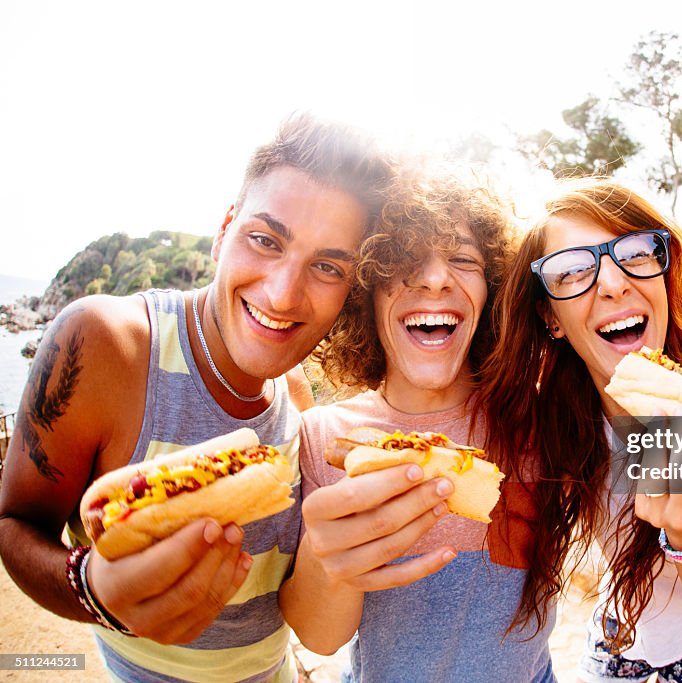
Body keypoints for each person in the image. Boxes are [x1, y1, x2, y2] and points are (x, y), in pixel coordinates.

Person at [0, 113, 391, 682]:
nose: (282, 293)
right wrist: (93, 591)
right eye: (265, 239)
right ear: (224, 231)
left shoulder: (297, 396)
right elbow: (15, 523)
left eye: (327, 266)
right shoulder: (108, 344)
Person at [479, 178, 682, 683]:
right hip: (616, 635)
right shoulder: (559, 422)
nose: (614, 283)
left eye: (637, 252)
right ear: (551, 318)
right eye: (573, 270)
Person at [279, 164, 557, 681]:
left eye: (461, 258)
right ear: (365, 294)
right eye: (403, 259)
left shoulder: (537, 418)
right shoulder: (324, 438)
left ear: (494, 290)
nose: (433, 277)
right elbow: (321, 636)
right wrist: (330, 557)